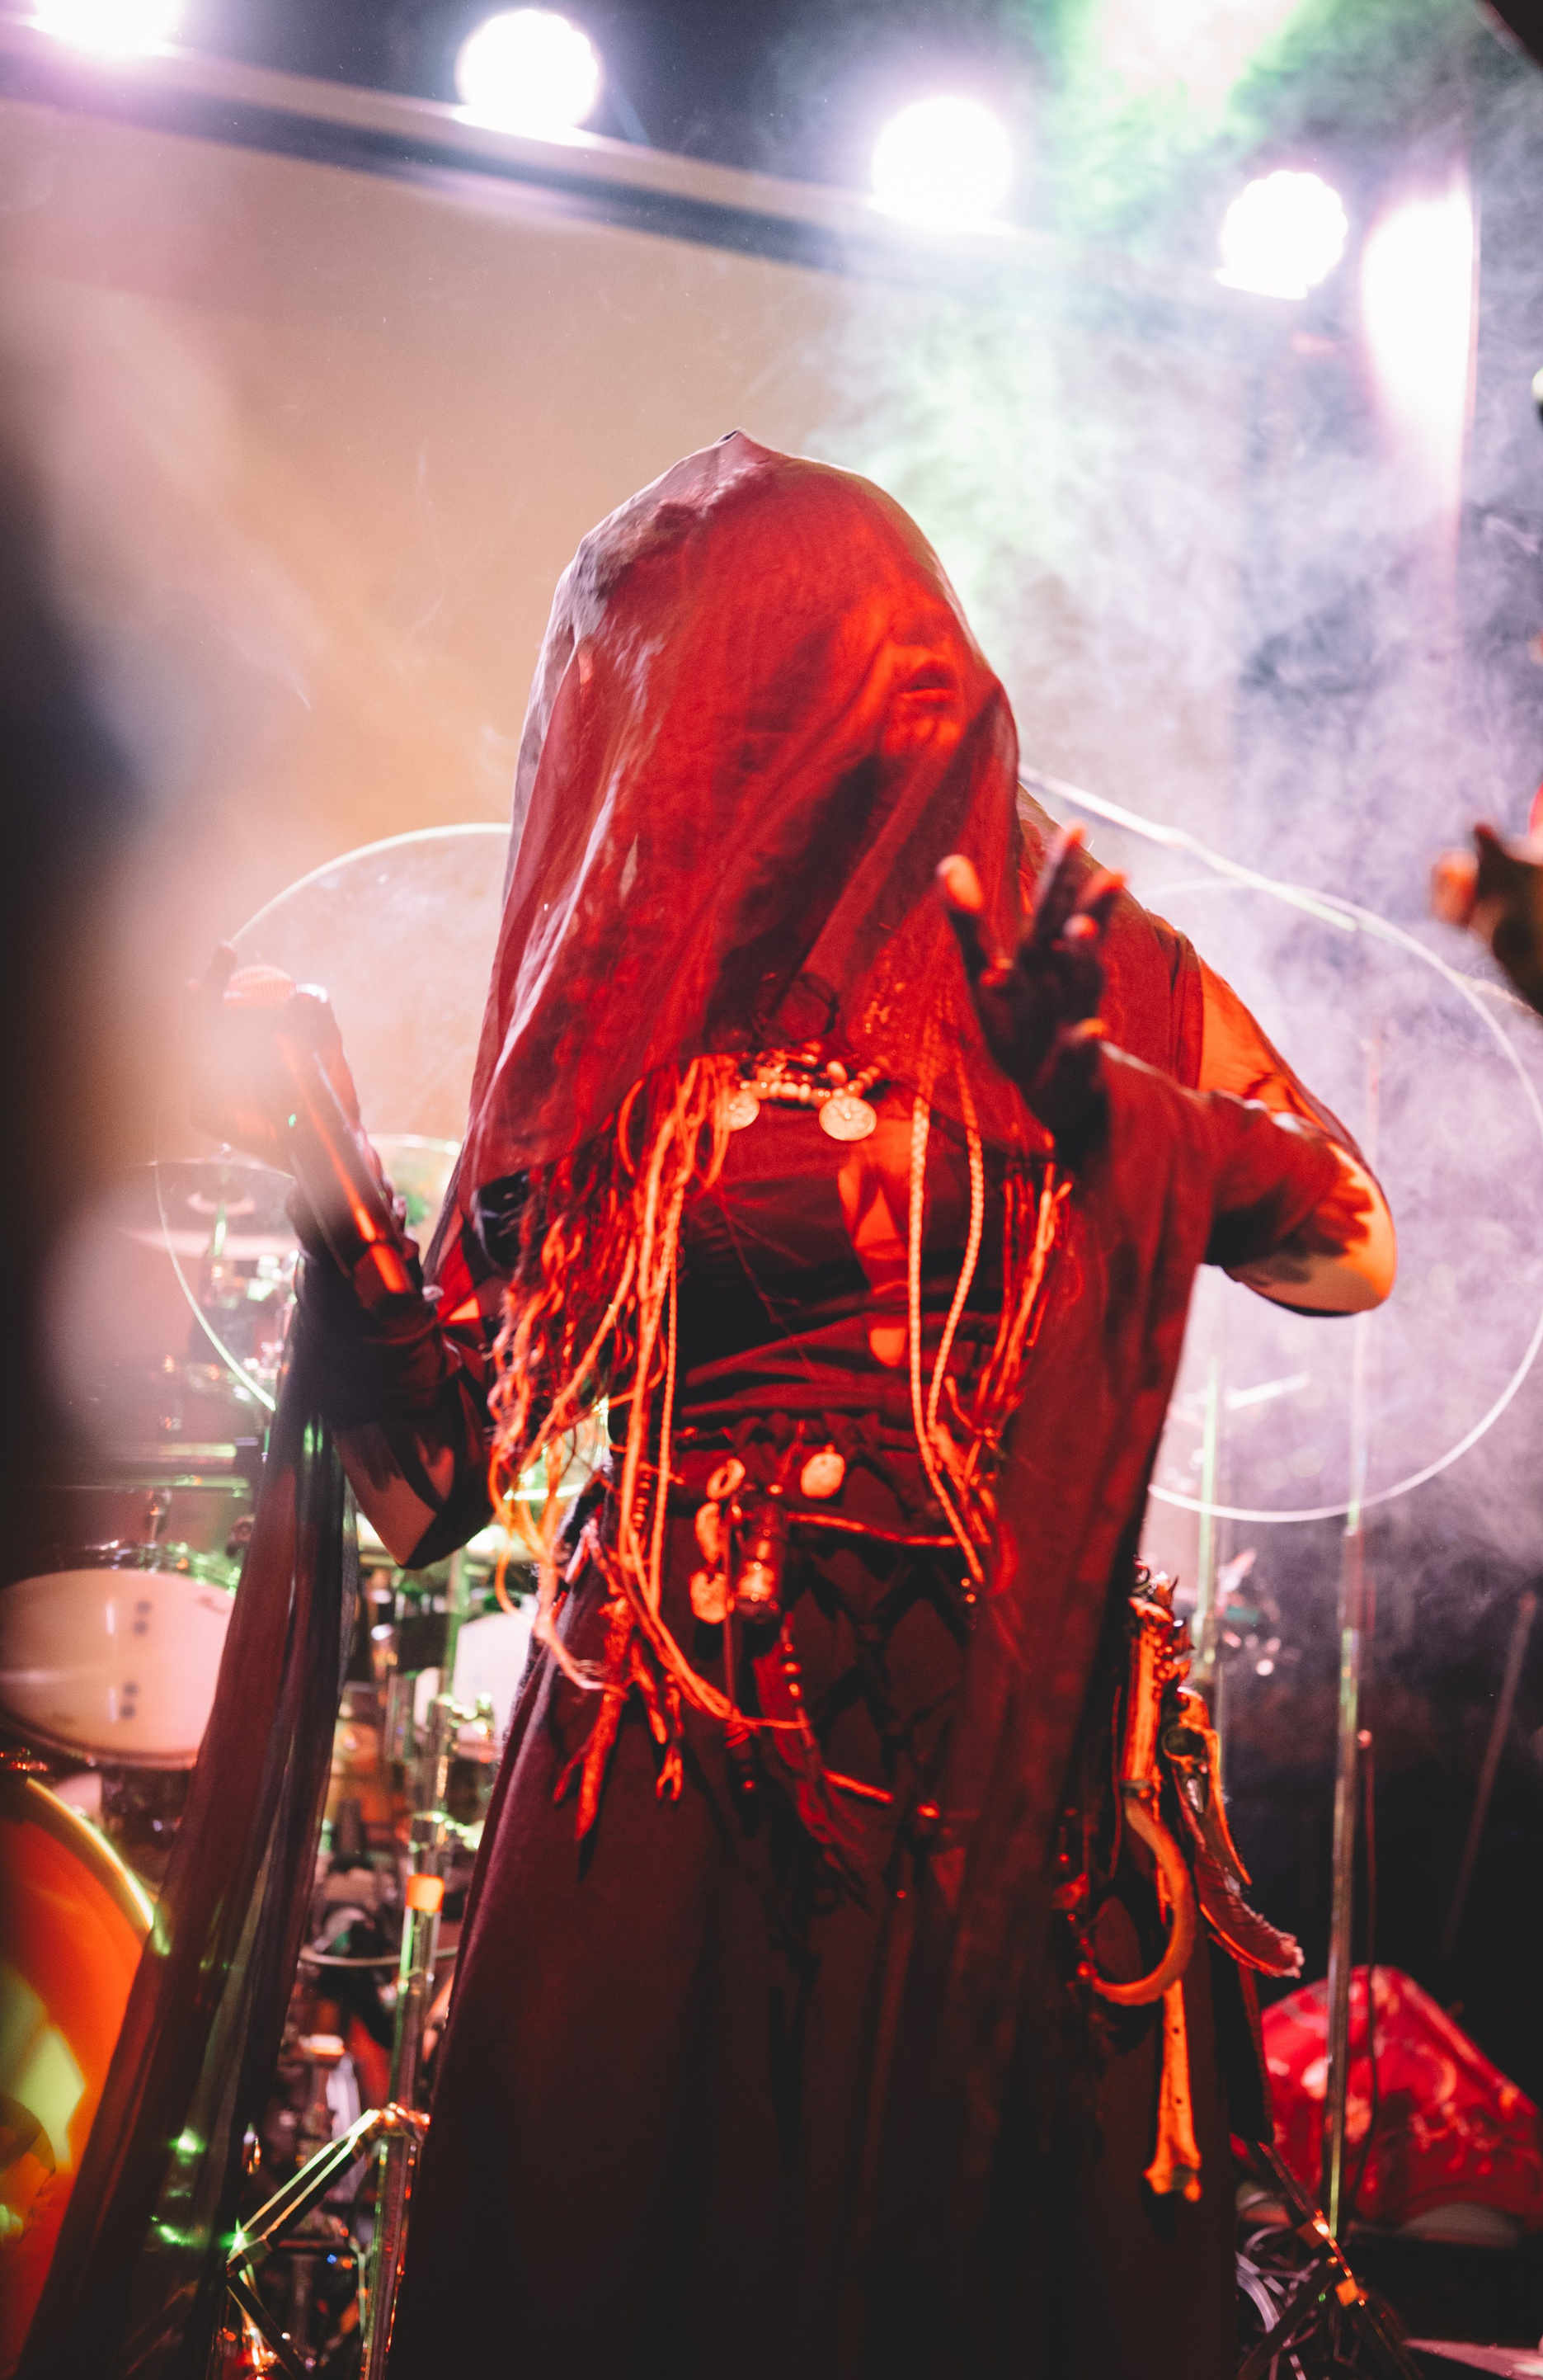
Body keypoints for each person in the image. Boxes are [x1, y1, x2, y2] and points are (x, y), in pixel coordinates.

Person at [210, 433, 1395, 2378]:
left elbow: (1353, 1246)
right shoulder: (622, 1004)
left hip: (996, 1759)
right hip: (673, 1776)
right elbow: (432, 1496)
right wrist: (327, 1174)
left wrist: (1111, 1110)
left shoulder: (1069, 953)